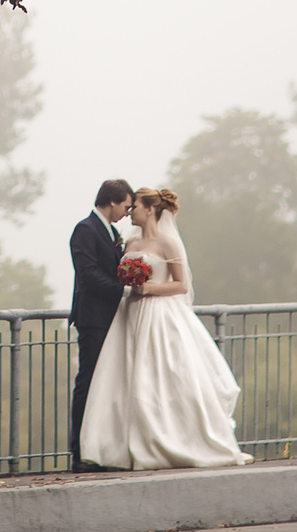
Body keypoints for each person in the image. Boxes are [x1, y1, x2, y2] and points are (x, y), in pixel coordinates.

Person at [77, 187, 252, 471]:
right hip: (130, 315)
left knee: (160, 376)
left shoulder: (168, 244)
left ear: (150, 210)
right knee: (126, 378)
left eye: (135, 207)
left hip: (159, 314)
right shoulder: (129, 243)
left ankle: (168, 439)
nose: (130, 212)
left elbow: (181, 285)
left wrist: (149, 287)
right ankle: (124, 445)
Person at [66, 178, 135, 470]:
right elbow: (88, 274)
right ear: (112, 201)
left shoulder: (111, 232)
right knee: (88, 382)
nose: (127, 213)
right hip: (93, 318)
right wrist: (125, 290)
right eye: (126, 206)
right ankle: (79, 453)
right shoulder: (85, 229)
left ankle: (102, 448)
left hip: (110, 318)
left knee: (106, 385)